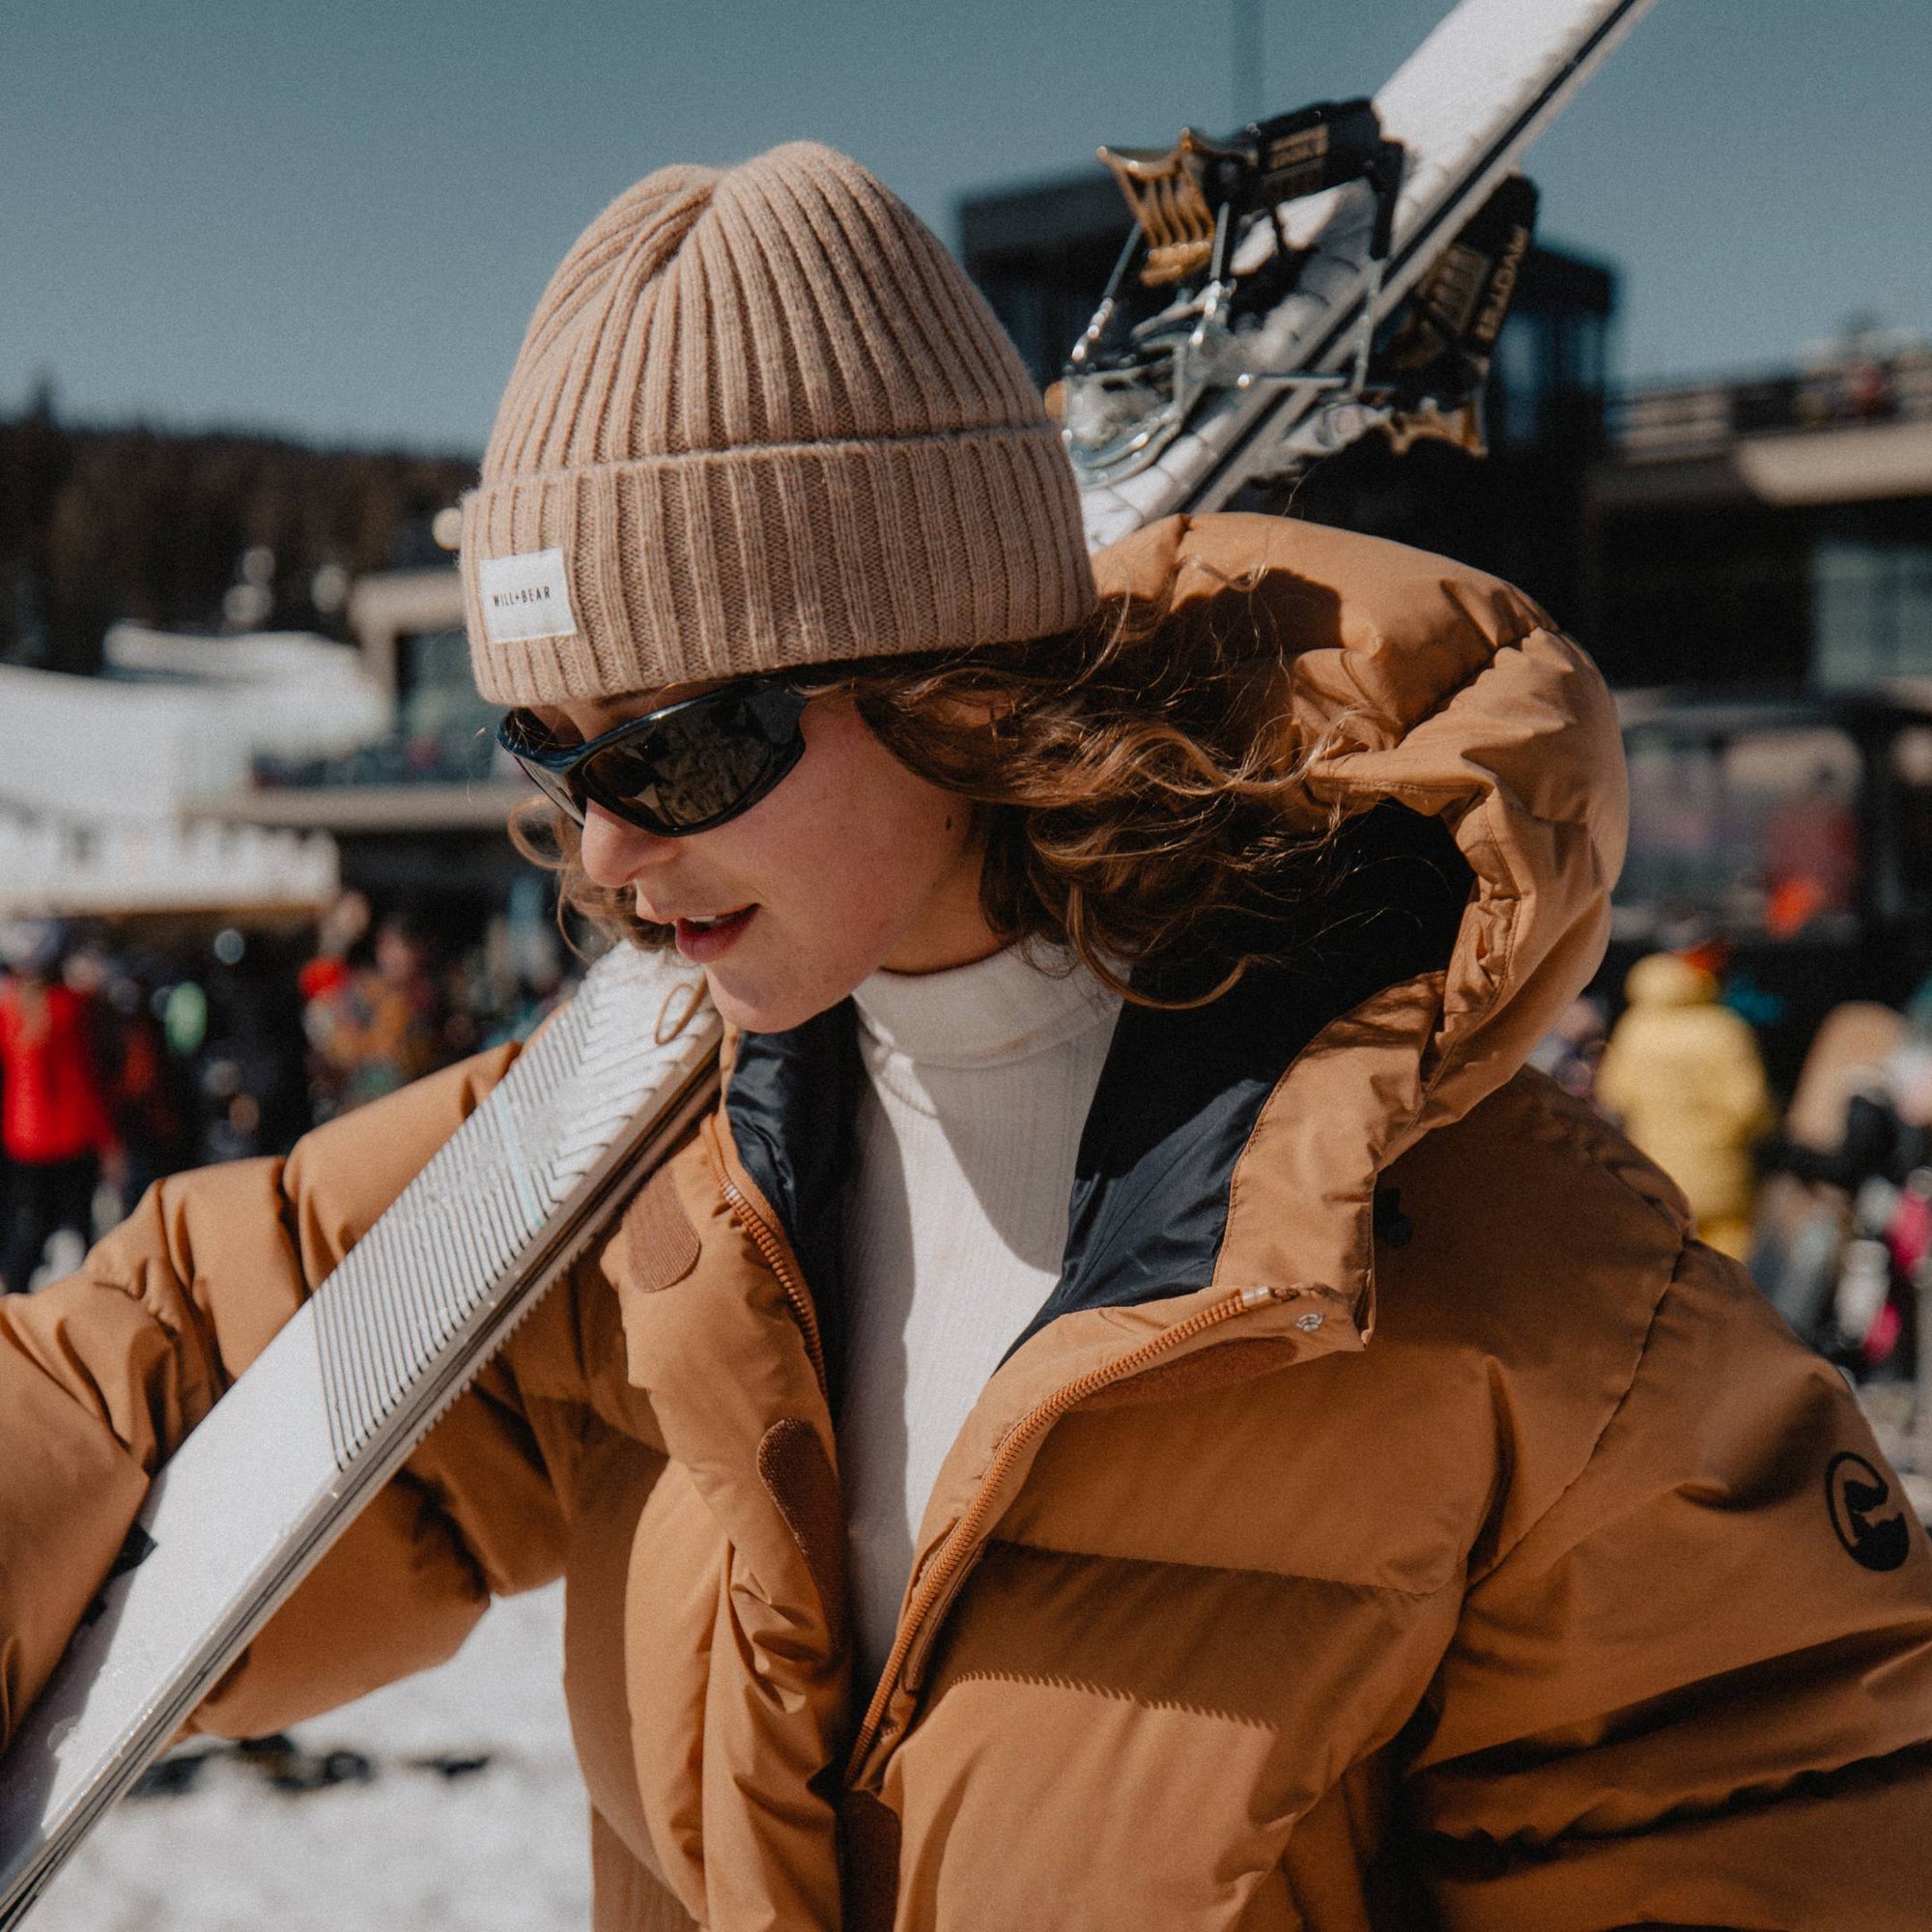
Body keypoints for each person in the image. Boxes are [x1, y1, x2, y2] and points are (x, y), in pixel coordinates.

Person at [3, 146, 1931, 1932]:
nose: (604, 847)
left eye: (676, 746)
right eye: (554, 752)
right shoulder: (625, 1159)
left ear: (947, 677)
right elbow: (150, 1368)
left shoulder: (1540, 1322)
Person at [1596, 949, 1775, 1261]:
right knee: (1726, 1278)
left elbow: (1615, 1095)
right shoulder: (1725, 1029)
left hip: (1658, 1177)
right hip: (1723, 1180)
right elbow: (1751, 1107)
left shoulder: (1635, 1029)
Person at [0, 922, 118, 1293]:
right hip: (70, 1136)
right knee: (80, 1228)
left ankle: (13, 1303)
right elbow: (80, 1082)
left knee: (31, 1227)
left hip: (23, 1137)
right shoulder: (70, 1009)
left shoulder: (9, 1011)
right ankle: (86, 1301)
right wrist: (108, 1139)